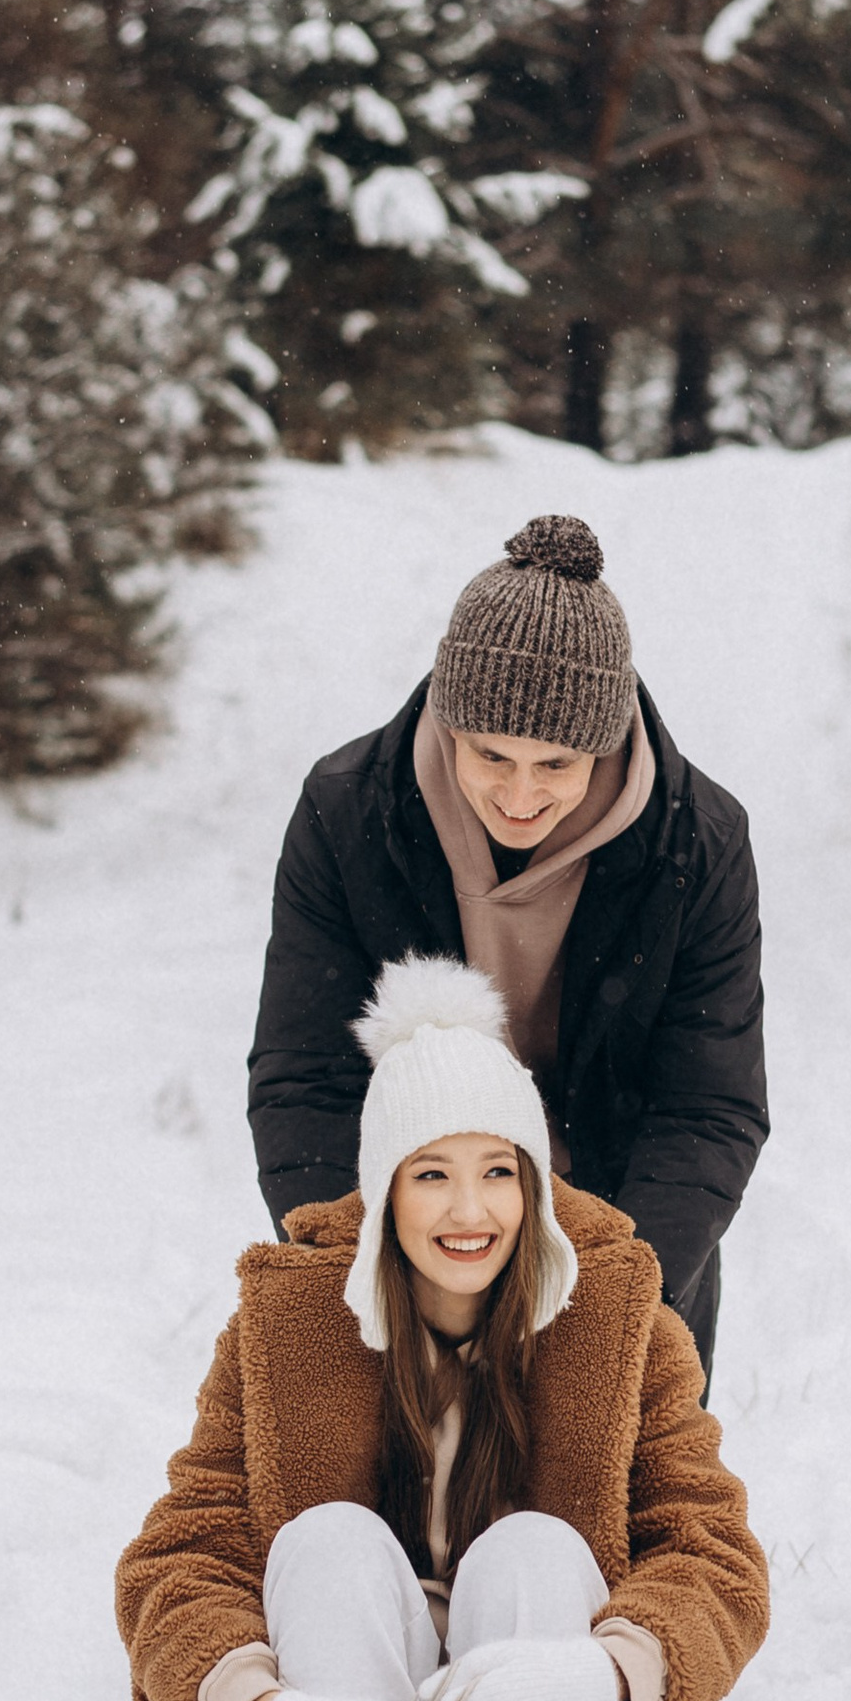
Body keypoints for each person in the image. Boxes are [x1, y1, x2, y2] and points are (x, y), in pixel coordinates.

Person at [118, 956, 769, 1701]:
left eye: (497, 1171)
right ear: (382, 1189)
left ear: (532, 1180)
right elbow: (181, 1555)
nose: (469, 1210)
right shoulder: (283, 1326)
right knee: (323, 1541)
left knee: (537, 1547)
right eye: (431, 1174)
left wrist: (595, 1674)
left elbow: (712, 1554)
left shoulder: (623, 1322)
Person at [247, 508, 766, 1387]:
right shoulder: (347, 813)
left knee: (616, 1476)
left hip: (621, 1231)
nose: (520, 797)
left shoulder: (699, 843)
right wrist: (357, 1271)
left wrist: (610, 1303)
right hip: (408, 1227)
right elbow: (305, 1075)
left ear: (604, 743)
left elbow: (707, 1105)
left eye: (558, 765)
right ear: (450, 722)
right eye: (491, 756)